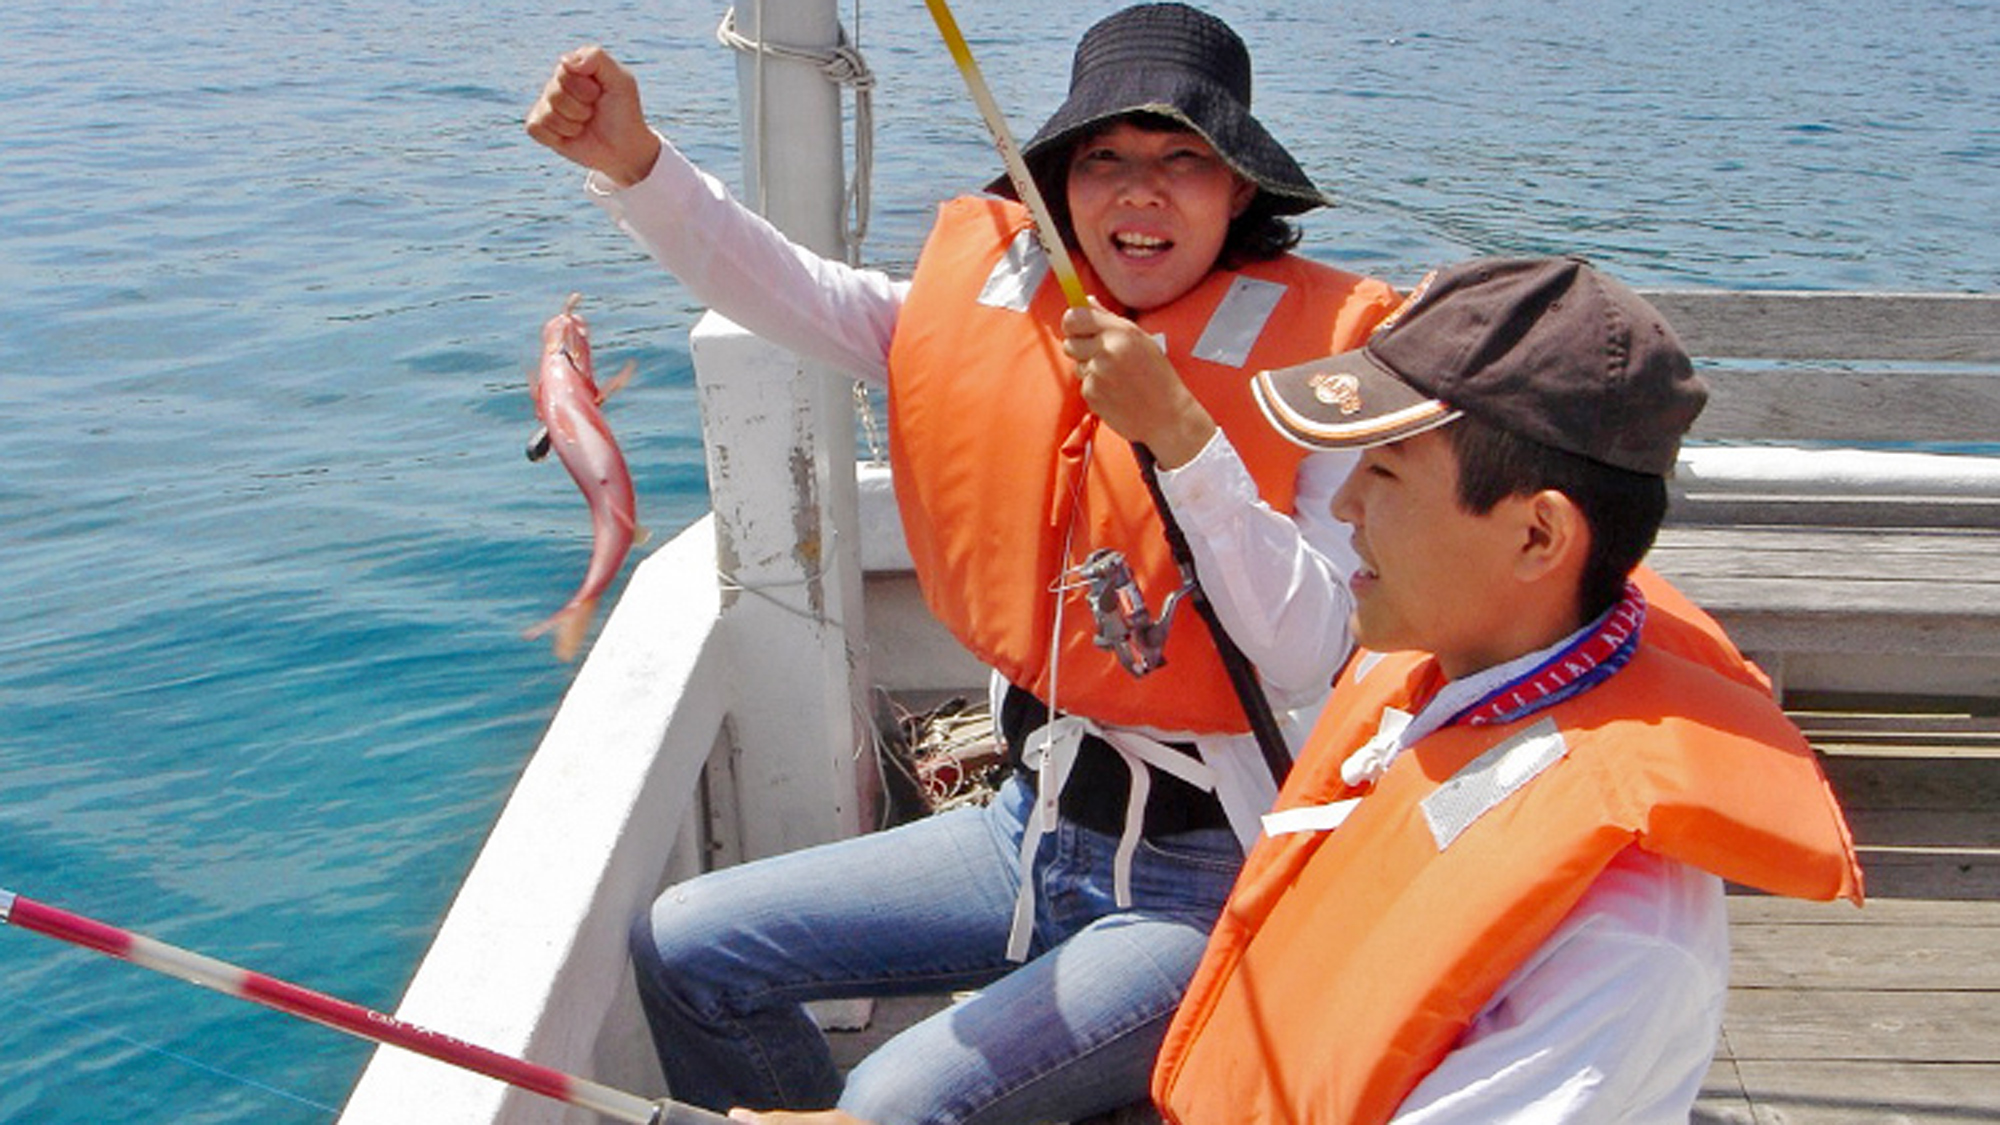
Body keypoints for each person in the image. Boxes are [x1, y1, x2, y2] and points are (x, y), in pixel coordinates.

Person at [526, 5, 1401, 1123]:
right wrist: (634, 167)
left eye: (1184, 159)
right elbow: (785, 287)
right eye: (1105, 160)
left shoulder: (1326, 380)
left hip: (1205, 891)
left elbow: (1312, 647)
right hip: (1023, 830)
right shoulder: (997, 303)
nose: (1140, 191)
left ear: (1238, 191)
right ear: (1056, 185)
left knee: (886, 1108)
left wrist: (1183, 438)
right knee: (686, 945)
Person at [1143, 255, 1866, 1123]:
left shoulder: (1623, 943)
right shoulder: (1453, 668)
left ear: (1537, 535)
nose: (1344, 510)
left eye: (1388, 472)